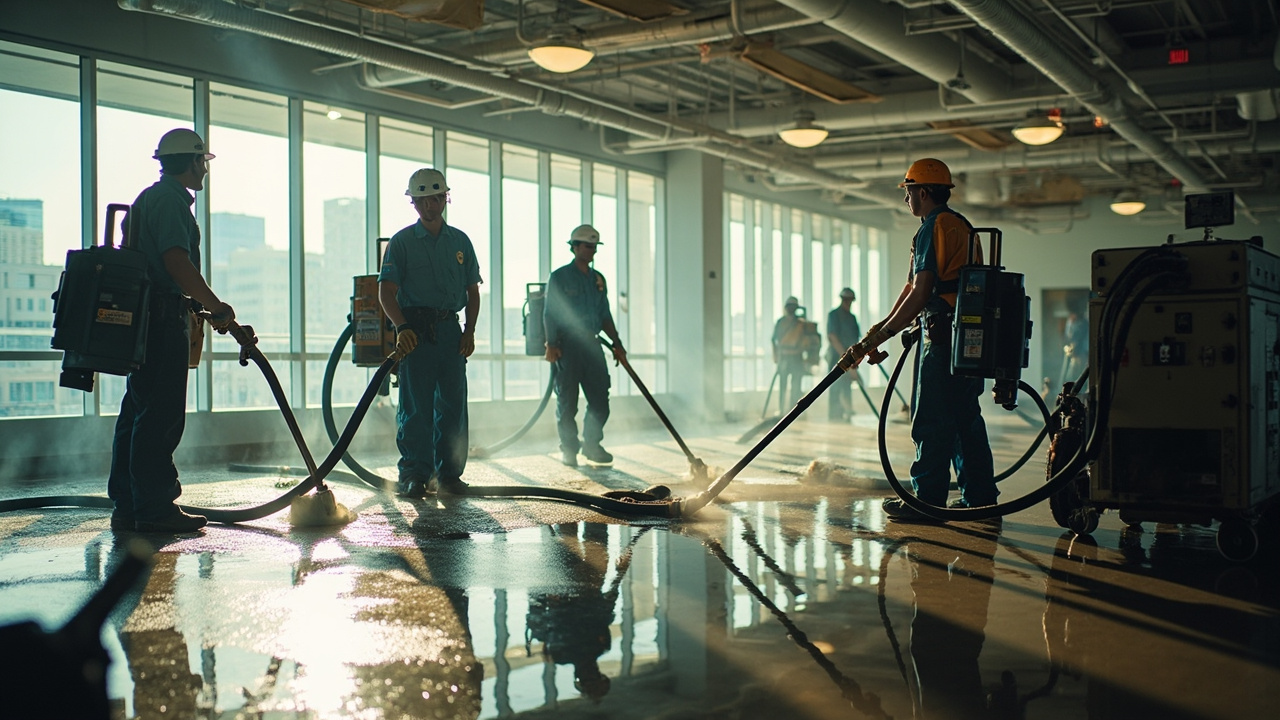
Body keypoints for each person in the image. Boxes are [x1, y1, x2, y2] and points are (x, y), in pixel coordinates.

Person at [844, 158, 996, 521]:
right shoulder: (962, 226)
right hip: (967, 337)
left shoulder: (932, 227)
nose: (906, 199)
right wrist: (878, 331)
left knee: (930, 418)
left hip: (942, 337)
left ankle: (926, 499)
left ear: (923, 192)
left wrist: (886, 332)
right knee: (965, 418)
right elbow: (913, 288)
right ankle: (981, 498)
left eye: (908, 191)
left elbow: (922, 290)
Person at [108, 128, 235, 534]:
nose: (206, 171)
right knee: (160, 416)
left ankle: (128, 506)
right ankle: (156, 508)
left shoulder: (149, 198)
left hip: (145, 317)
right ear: (193, 161)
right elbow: (177, 264)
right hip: (162, 319)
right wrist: (217, 307)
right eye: (204, 162)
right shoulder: (170, 203)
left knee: (138, 412)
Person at [379, 168, 482, 498]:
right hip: (416, 333)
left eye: (435, 198)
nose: (429, 206)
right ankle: (414, 474)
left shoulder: (460, 242)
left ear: (445, 199)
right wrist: (402, 328)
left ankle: (449, 475)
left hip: (451, 331)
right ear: (414, 203)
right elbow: (386, 292)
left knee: (453, 406)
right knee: (416, 407)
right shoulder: (402, 242)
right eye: (422, 200)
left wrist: (470, 331)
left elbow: (473, 291)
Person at [543, 224, 625, 467]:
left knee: (600, 399)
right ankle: (569, 449)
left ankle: (592, 444)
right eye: (588, 246)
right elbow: (550, 313)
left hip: (592, 345)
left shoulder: (598, 280)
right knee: (567, 402)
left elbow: (605, 315)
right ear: (575, 247)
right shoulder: (559, 277)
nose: (592, 251)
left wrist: (617, 343)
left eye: (595, 247)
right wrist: (551, 343)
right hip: (567, 347)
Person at [826, 287, 862, 420]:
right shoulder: (834, 315)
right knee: (835, 385)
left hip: (850, 355)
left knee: (847, 385)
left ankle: (847, 414)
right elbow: (832, 336)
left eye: (850, 300)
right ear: (842, 300)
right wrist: (843, 356)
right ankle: (835, 417)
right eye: (846, 300)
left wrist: (854, 358)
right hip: (836, 355)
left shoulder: (852, 318)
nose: (848, 302)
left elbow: (856, 339)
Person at [771, 296, 808, 413]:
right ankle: (781, 409)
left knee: (796, 385)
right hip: (784, 357)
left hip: (797, 357)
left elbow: (808, 338)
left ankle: (794, 410)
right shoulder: (781, 322)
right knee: (783, 384)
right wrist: (776, 356)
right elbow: (774, 340)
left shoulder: (801, 323)